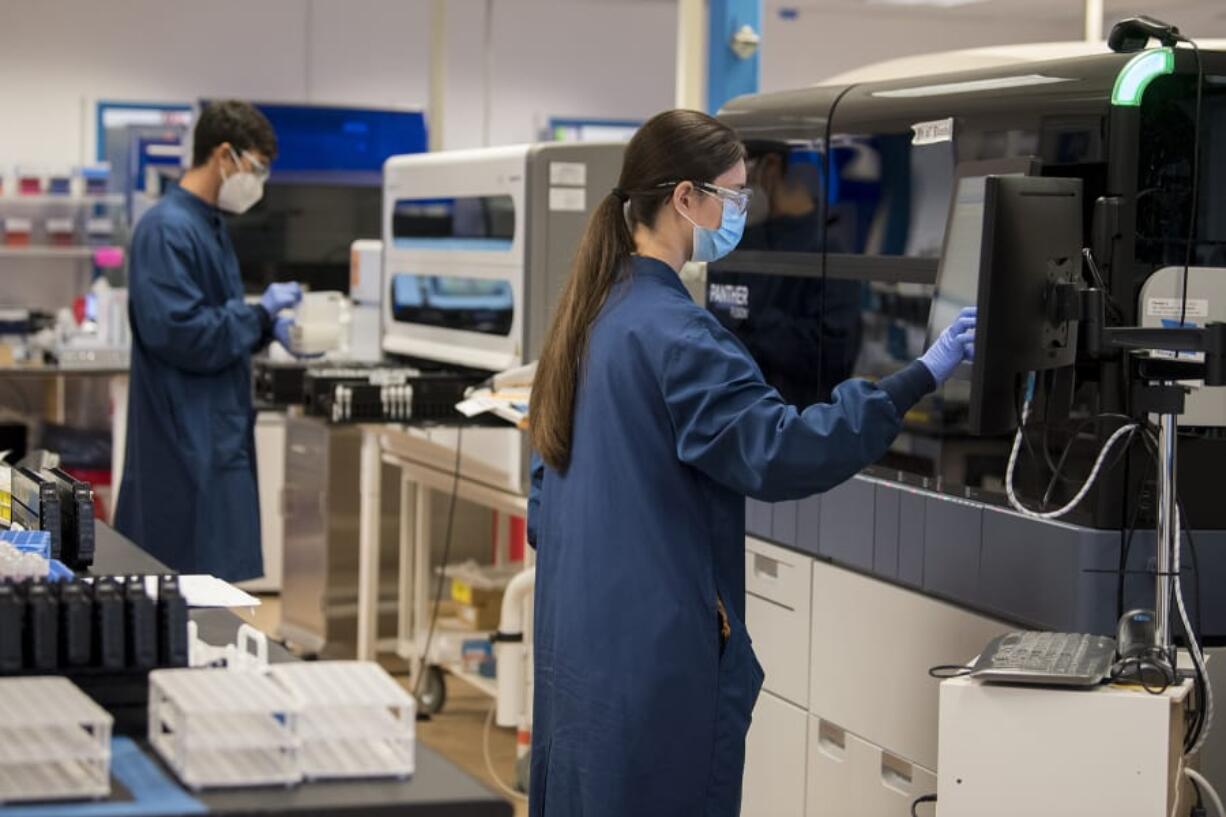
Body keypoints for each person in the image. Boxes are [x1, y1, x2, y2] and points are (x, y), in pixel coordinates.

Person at [525, 110, 975, 817]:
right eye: (733, 197)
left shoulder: (592, 314)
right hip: (657, 670)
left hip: (580, 655)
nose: (742, 212)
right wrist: (919, 374)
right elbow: (783, 450)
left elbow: (543, 495)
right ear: (684, 198)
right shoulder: (678, 335)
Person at [115, 100, 311, 582]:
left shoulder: (207, 224)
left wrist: (267, 324)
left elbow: (213, 315)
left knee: (212, 590)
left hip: (213, 430)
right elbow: (182, 332)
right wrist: (257, 313)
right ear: (225, 155)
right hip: (183, 439)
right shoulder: (167, 229)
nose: (258, 182)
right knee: (179, 584)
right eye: (257, 167)